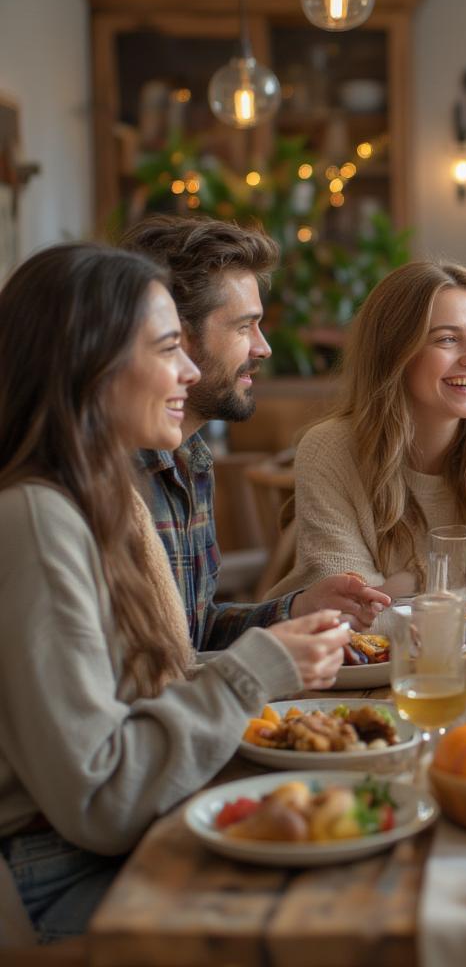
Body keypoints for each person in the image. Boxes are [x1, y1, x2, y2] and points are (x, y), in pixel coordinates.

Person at [0, 244, 352, 943]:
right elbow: (101, 798)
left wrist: (270, 650)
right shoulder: (38, 519)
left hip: (113, 840)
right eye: (168, 349)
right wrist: (258, 668)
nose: (190, 372)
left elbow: (146, 686)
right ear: (91, 366)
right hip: (59, 868)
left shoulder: (96, 503)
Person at [120, 215, 388, 649]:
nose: (262, 347)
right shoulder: (108, 478)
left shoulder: (191, 459)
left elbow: (196, 633)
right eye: (245, 326)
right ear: (179, 337)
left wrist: (296, 609)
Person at [267, 260, 466, 600]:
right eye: (447, 339)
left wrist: (416, 584)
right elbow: (351, 614)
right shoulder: (329, 450)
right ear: (394, 354)